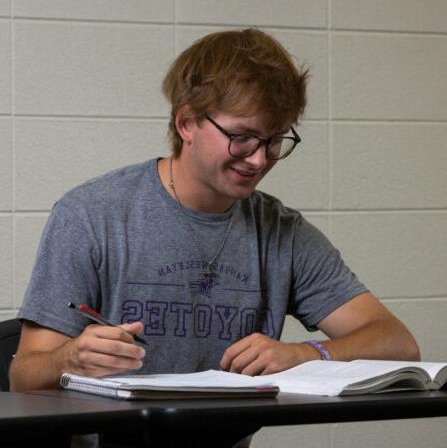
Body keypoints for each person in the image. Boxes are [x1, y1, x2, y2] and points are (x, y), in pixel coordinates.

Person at [10, 27, 419, 446]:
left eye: (274, 139)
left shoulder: (282, 231)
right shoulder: (91, 215)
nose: (259, 159)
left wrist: (306, 354)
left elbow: (397, 342)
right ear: (186, 122)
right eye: (241, 138)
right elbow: (23, 374)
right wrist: (70, 358)